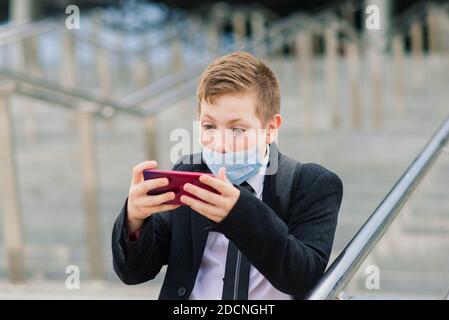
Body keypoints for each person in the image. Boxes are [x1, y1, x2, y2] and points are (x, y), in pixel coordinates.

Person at [112, 51, 343, 300]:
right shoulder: (190, 173)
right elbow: (135, 273)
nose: (220, 144)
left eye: (237, 129)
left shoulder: (311, 184)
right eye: (209, 126)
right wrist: (135, 220)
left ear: (270, 129)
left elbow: (302, 276)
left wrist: (239, 212)